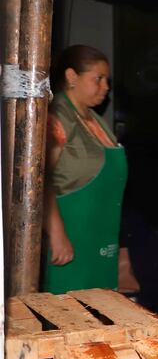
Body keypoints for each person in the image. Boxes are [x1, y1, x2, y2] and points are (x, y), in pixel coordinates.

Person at [43, 45, 126, 293]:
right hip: (72, 235)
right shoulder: (56, 116)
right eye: (98, 79)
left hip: (100, 237)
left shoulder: (95, 120)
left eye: (107, 80)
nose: (106, 87)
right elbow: (41, 180)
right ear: (71, 77)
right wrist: (57, 235)